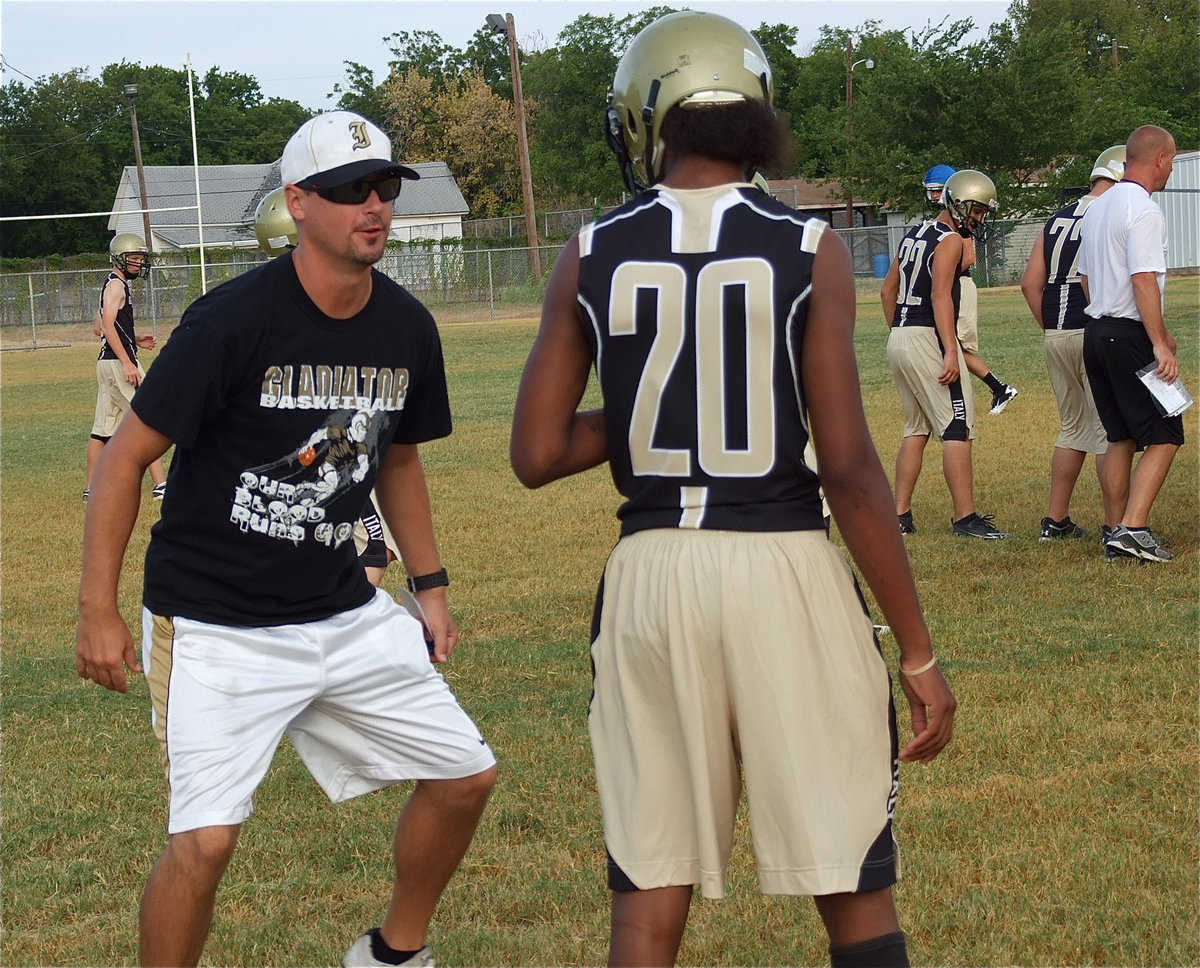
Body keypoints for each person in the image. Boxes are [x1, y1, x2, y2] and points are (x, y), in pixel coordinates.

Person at [511, 13, 956, 967]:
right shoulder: (809, 247)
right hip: (783, 567)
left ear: (645, 115)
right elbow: (847, 464)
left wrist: (647, 415)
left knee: (649, 894)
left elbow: (536, 451)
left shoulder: (588, 250)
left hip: (649, 577)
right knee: (850, 882)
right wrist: (916, 651)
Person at [75, 110, 496, 968]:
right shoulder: (231, 321)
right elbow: (124, 462)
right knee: (206, 842)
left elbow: (399, 460)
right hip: (216, 621)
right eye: (349, 191)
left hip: (341, 608)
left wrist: (432, 583)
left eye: (383, 186)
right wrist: (97, 610)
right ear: (298, 203)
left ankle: (392, 955)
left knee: (465, 776)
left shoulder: (407, 327)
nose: (372, 206)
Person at [254, 185, 400, 586]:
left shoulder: (264, 306)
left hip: (315, 459)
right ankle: (344, 613)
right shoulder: (300, 311)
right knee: (374, 546)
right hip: (335, 455)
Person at [882, 169, 1009, 539]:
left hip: (901, 335)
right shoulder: (950, 240)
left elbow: (887, 290)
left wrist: (901, 332)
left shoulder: (912, 234)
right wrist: (950, 350)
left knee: (916, 427)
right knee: (957, 426)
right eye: (978, 209)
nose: (980, 218)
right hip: (927, 337)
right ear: (958, 203)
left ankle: (899, 515)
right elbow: (940, 295)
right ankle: (964, 518)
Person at [1078, 124, 1182, 562]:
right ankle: (1134, 529)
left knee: (1119, 435)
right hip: (1128, 333)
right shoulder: (1143, 209)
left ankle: (1115, 529)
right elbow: (1143, 279)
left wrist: (1106, 313)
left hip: (1096, 331)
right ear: (1158, 159)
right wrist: (1159, 342)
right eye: (1173, 161)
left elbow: (1084, 276)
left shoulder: (1097, 208)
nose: (1172, 169)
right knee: (1166, 431)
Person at [1020, 145, 1125, 541]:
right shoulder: (1111, 212)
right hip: (1093, 330)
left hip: (1057, 333)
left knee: (1071, 428)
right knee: (1107, 431)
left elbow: (1031, 283)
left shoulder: (1056, 220)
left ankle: (1056, 520)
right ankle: (1117, 527)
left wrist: (1052, 327)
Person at [922, 165, 1018, 416]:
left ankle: (1000, 388)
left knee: (955, 345)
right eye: (931, 191)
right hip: (952, 285)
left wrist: (940, 273)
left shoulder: (960, 222)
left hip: (959, 285)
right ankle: (998, 388)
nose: (933, 197)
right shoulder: (944, 222)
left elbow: (968, 258)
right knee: (950, 343)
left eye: (937, 191)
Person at [85, 233, 168, 502]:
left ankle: (92, 488)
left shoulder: (112, 284)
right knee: (147, 418)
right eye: (134, 257)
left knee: (102, 430)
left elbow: (100, 327)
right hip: (117, 363)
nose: (139, 262)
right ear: (119, 258)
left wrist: (135, 338)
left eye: (141, 257)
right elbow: (106, 326)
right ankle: (161, 485)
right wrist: (127, 361)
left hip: (106, 363)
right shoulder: (116, 286)